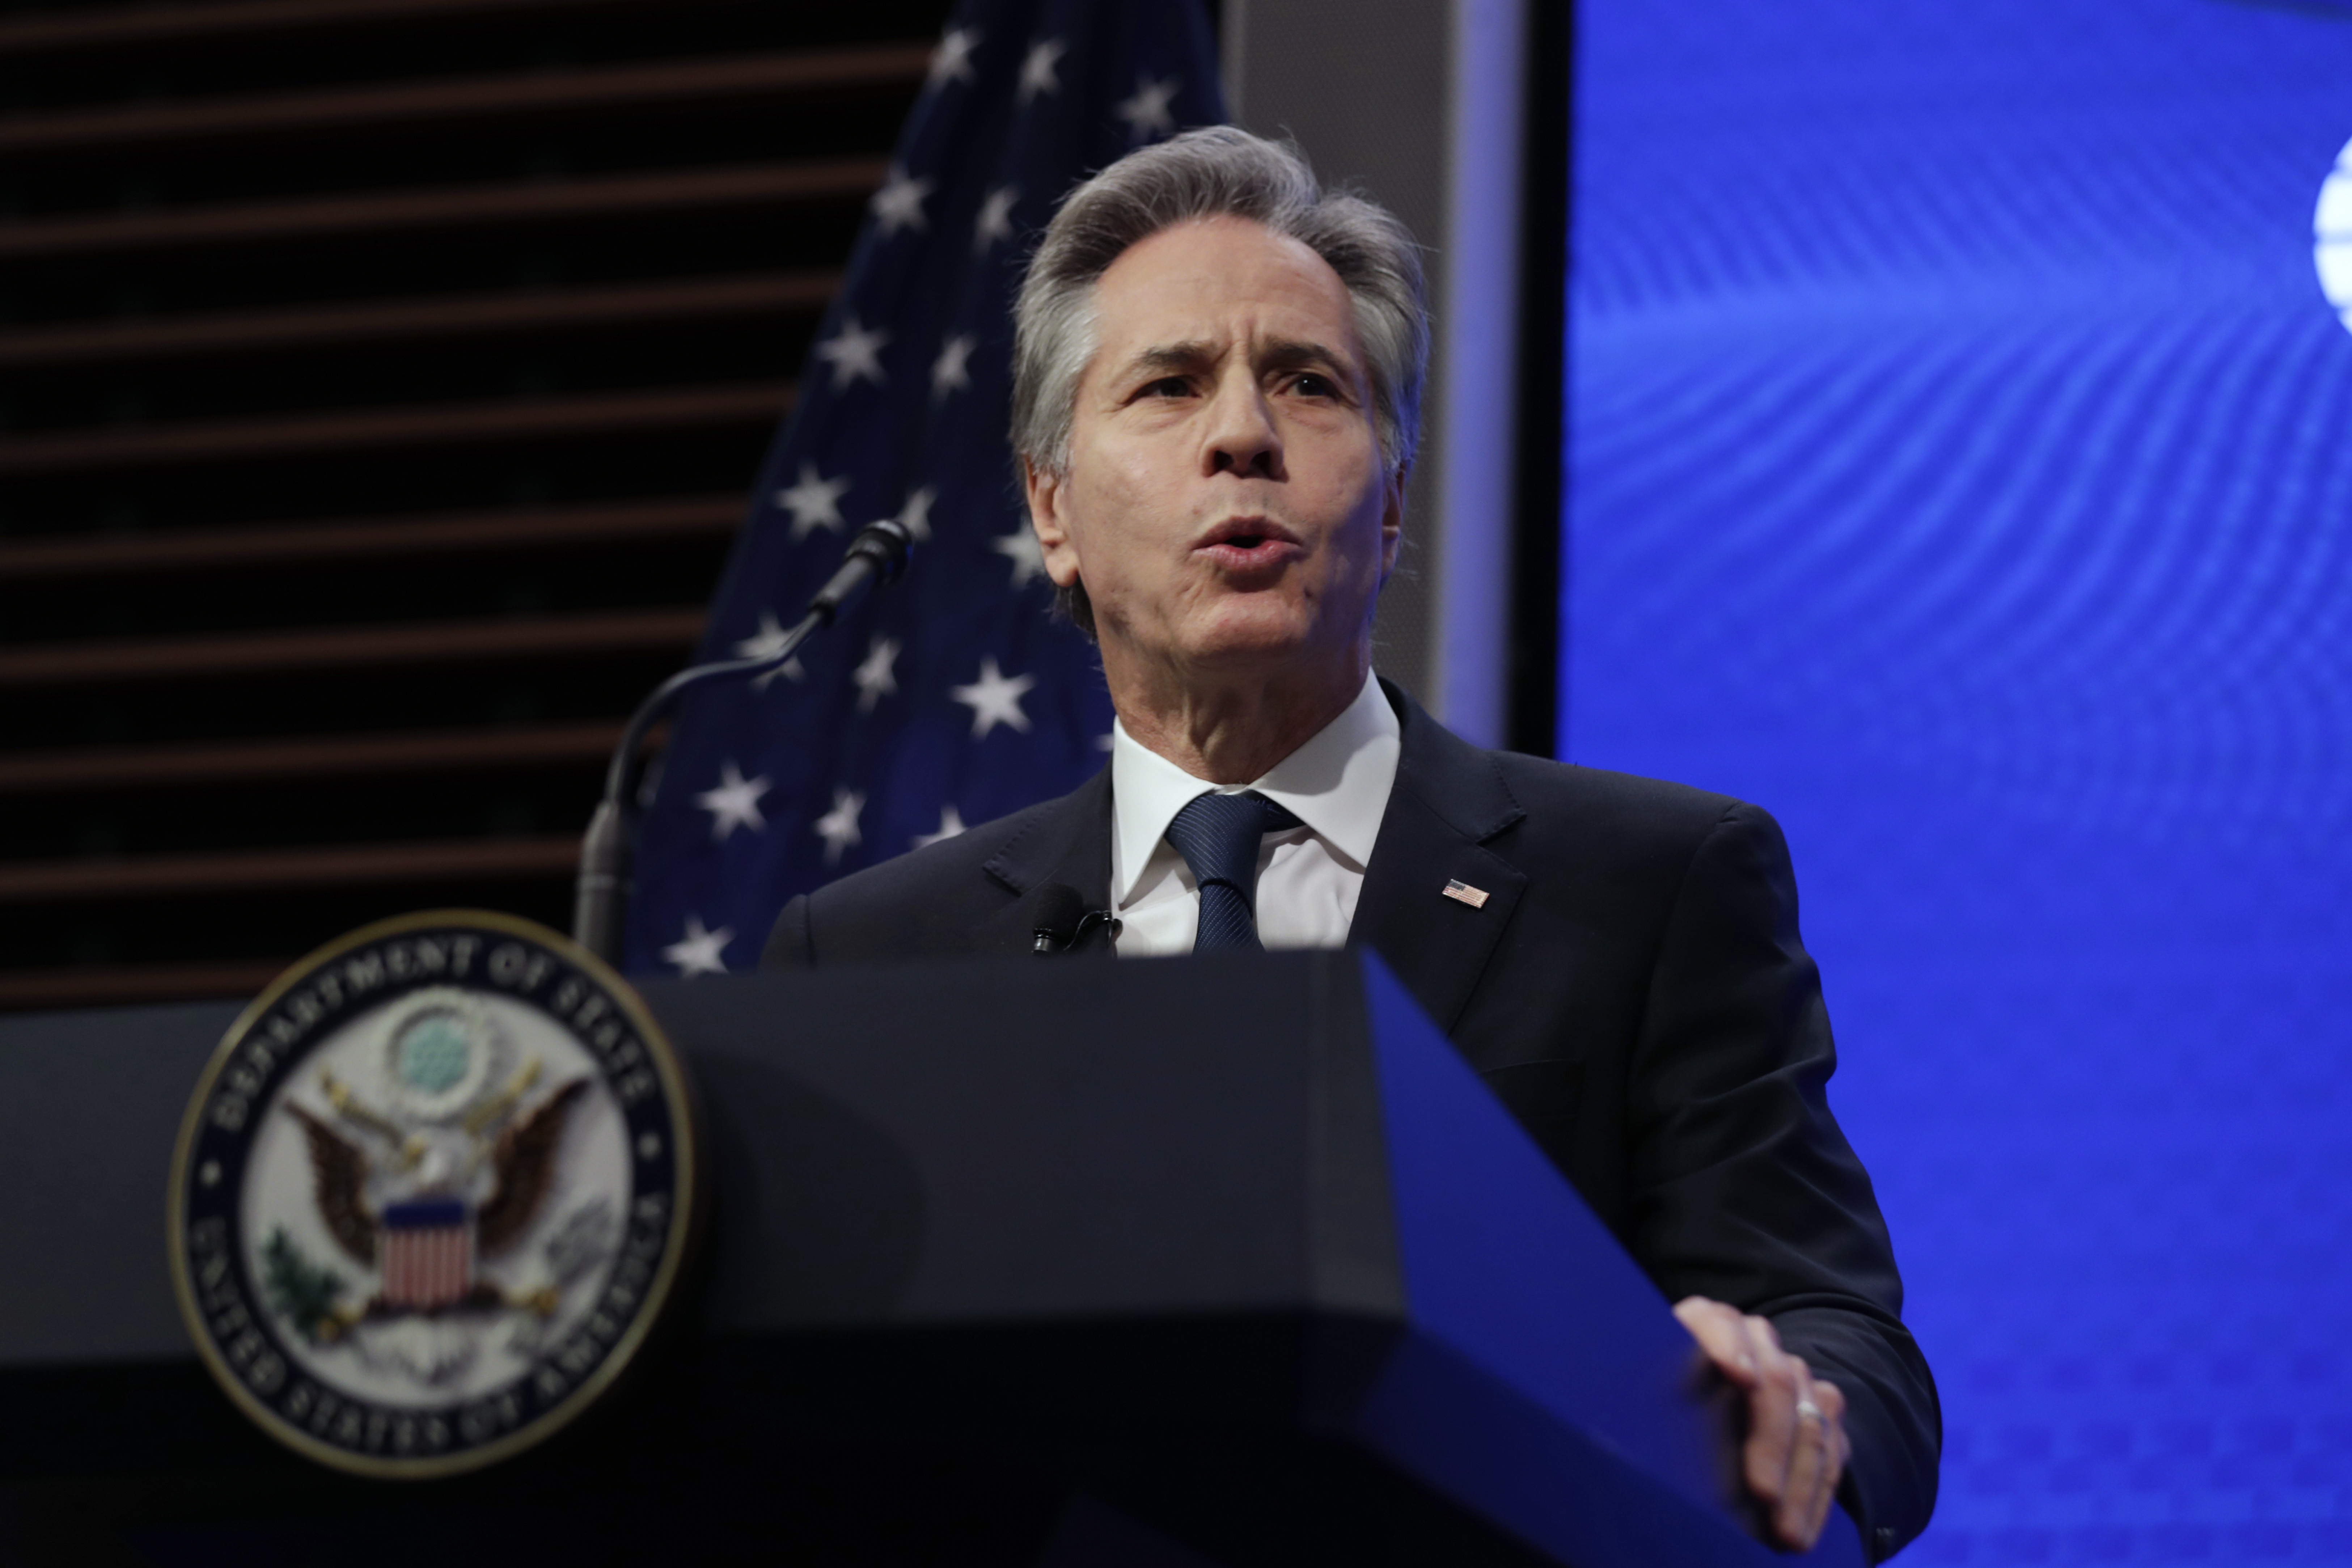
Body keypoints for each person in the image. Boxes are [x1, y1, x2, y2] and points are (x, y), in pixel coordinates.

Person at [765, 126, 1938, 1560]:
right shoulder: (879, 954)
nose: (1243, 432)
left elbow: (1847, 1345)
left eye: (1308, 384)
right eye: (1169, 384)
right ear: (1051, 509)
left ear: (1387, 499)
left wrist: (1780, 1403)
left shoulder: (1648, 883)